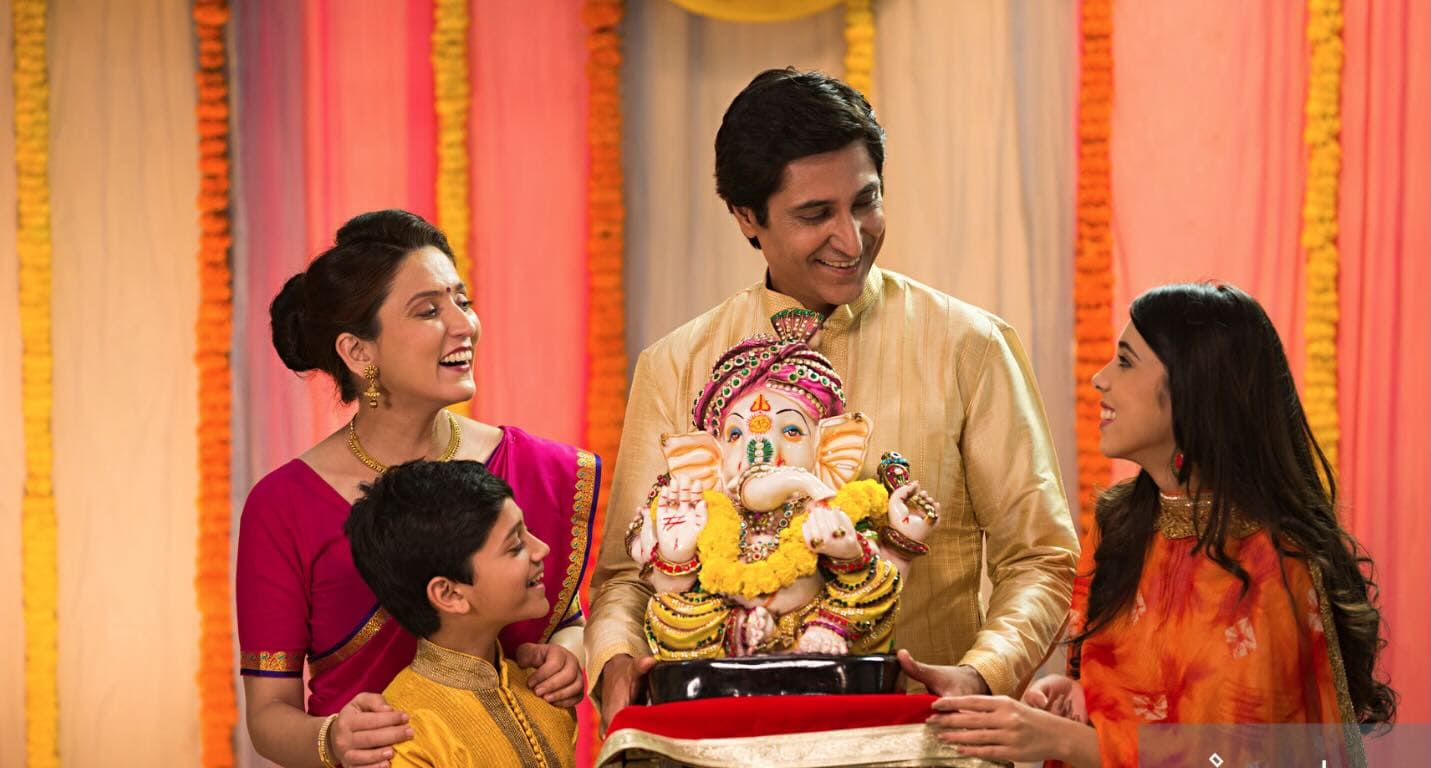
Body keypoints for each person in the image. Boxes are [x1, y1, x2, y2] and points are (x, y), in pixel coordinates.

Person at [585, 68, 1079, 726]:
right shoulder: (677, 364)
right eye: (815, 215)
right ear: (746, 217)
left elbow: (1039, 555)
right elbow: (626, 575)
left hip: (924, 736)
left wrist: (983, 672)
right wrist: (615, 662)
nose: (851, 238)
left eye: (865, 202)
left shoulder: (968, 345)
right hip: (726, 745)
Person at [899, 282, 1397, 766]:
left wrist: (1068, 742)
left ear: (1193, 388)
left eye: (1125, 361)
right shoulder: (1121, 526)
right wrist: (1080, 699)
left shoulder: (1271, 562)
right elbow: (1141, 703)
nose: (1100, 379)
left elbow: (1237, 755)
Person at [237, 210, 598, 768]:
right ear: (359, 352)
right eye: (429, 310)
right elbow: (268, 715)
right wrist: (332, 740)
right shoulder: (285, 505)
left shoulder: (534, 467)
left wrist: (570, 655)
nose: (464, 325)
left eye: (462, 300)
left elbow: (566, 619)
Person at [346, 460, 577, 768]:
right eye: (515, 546)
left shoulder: (541, 687)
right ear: (450, 594)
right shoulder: (406, 737)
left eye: (529, 531)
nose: (542, 549)